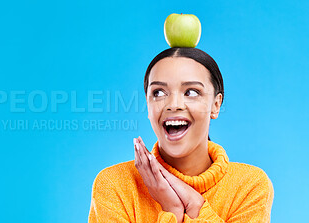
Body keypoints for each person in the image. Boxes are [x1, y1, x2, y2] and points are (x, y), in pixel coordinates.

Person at [88, 47, 274, 222]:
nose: (173, 104)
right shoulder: (114, 184)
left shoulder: (250, 186)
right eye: (159, 92)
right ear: (148, 104)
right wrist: (173, 212)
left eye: (191, 92)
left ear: (215, 105)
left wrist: (194, 205)